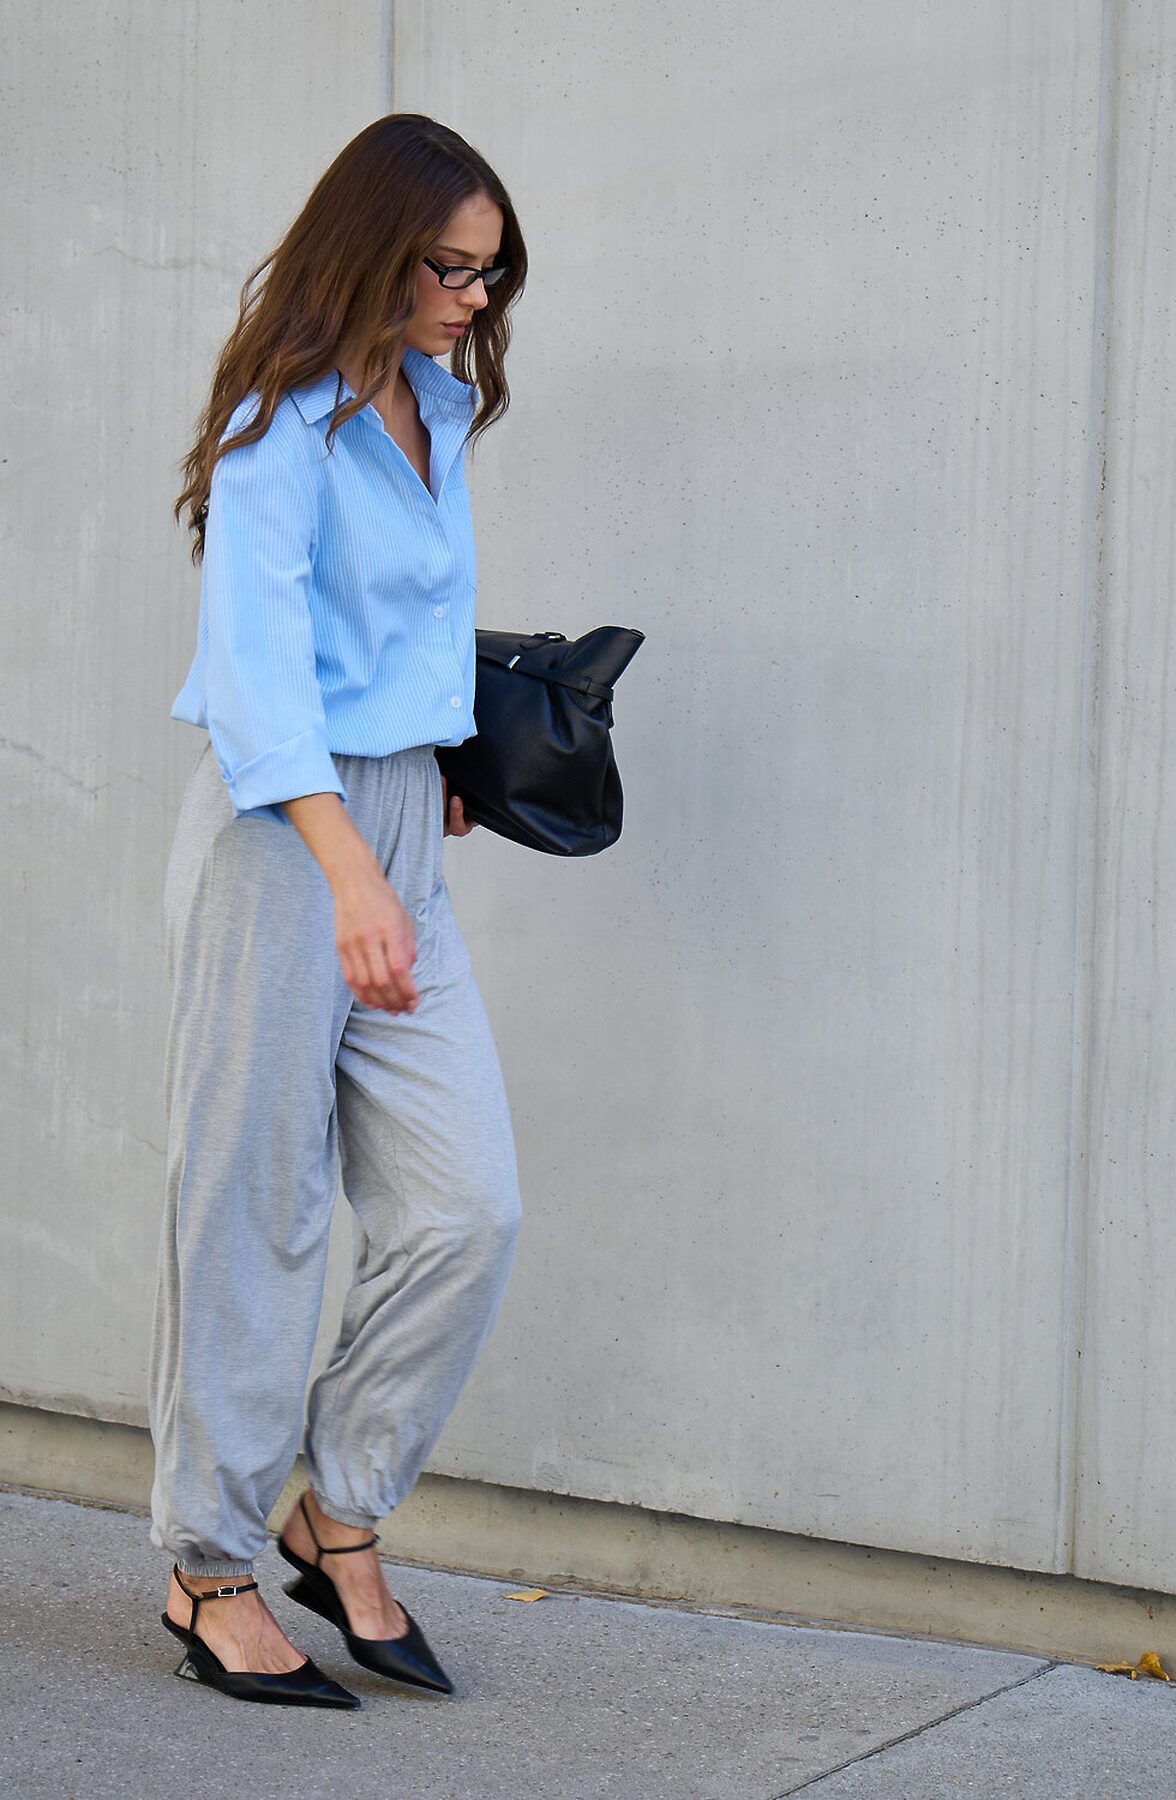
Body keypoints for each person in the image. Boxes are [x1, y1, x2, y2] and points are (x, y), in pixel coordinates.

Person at [149, 114, 529, 1710]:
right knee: (260, 1209)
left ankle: (338, 1506)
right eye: (449, 268)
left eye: (490, 275)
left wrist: (434, 760)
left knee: (465, 1208)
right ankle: (210, 1566)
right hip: (280, 836)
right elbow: (254, 673)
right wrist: (349, 859)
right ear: (372, 251)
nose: (471, 300)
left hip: (394, 819)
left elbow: (398, 628)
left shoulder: (435, 405)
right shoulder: (280, 426)